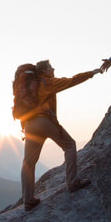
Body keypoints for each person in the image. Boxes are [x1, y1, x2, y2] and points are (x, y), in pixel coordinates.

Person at [21, 60, 100, 211]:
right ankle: (72, 182)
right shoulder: (47, 82)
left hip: (29, 125)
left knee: (28, 162)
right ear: (45, 70)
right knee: (69, 145)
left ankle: (28, 200)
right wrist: (91, 73)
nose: (53, 68)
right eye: (51, 67)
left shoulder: (29, 85)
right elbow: (71, 81)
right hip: (44, 121)